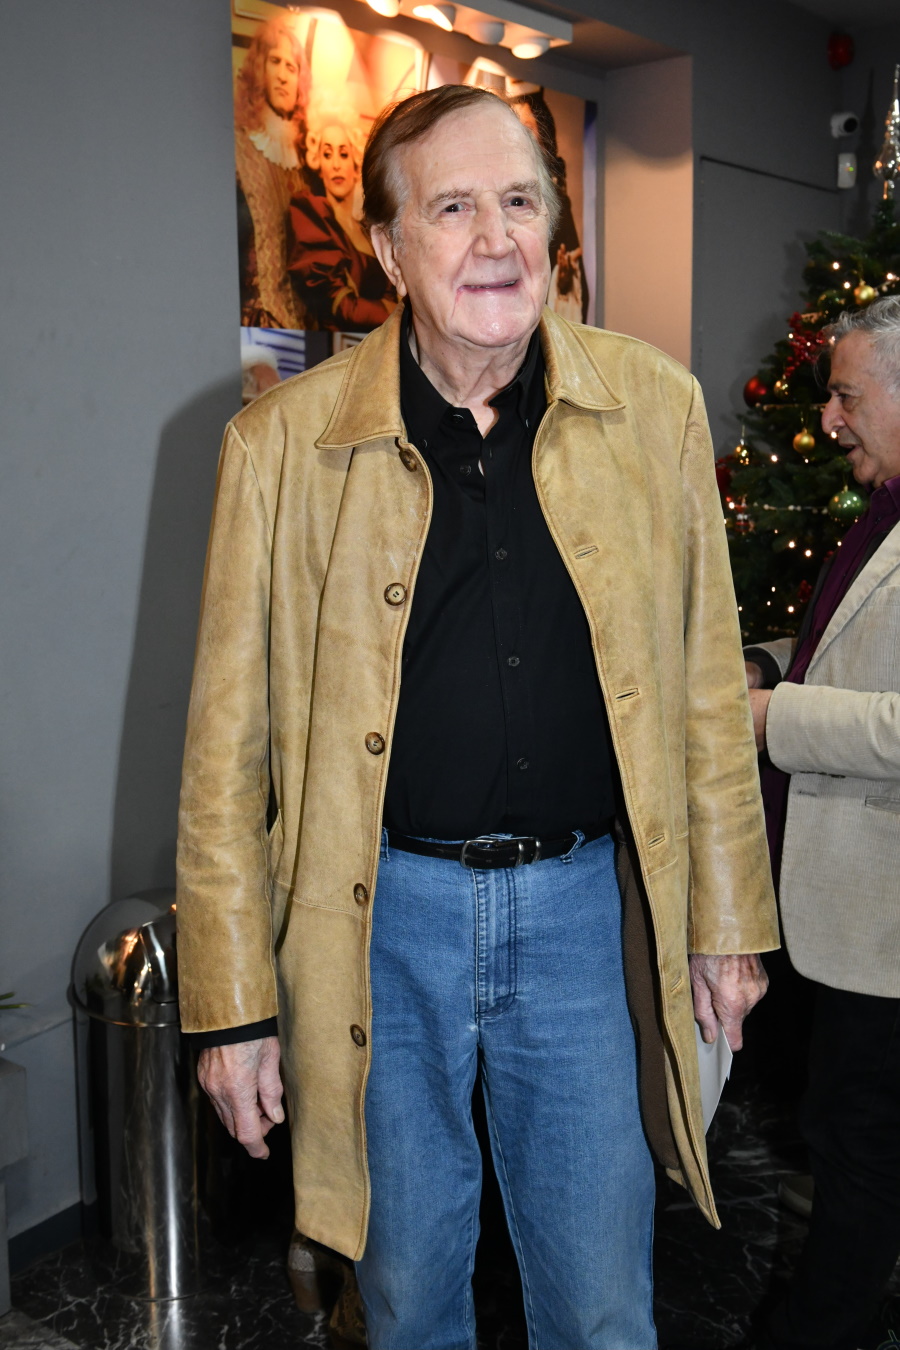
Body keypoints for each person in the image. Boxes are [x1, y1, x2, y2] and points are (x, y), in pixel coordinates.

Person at [176, 85, 777, 1350]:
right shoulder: (278, 450)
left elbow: (706, 696)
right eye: (452, 208)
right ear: (390, 251)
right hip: (377, 926)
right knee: (405, 1300)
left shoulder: (655, 410)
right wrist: (232, 1009)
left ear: (556, 228)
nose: (495, 239)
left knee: (603, 1305)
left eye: (518, 202)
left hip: (583, 917)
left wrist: (728, 924)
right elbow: (224, 760)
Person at [744, 297, 900, 1350]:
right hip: (852, 917)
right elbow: (842, 643)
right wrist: (762, 663)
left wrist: (774, 718)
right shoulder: (884, 506)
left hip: (884, 926)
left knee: (860, 1149)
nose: (830, 420)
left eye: (846, 395)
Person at [287, 103, 395, 332]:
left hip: (379, 345)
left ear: (355, 162)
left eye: (343, 154)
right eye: (327, 155)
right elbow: (341, 307)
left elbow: (391, 291)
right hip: (333, 347)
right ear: (318, 163)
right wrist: (397, 316)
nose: (336, 165)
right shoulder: (311, 213)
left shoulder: (368, 227)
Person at [234, 17, 310, 330]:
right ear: (260, 69)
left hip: (304, 324)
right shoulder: (238, 146)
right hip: (251, 321)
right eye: (274, 61)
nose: (282, 75)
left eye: (291, 67)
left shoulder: (307, 160)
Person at [510, 89, 589, 321]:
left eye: (527, 129)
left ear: (545, 140)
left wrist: (564, 281)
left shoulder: (556, 199)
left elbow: (573, 287)